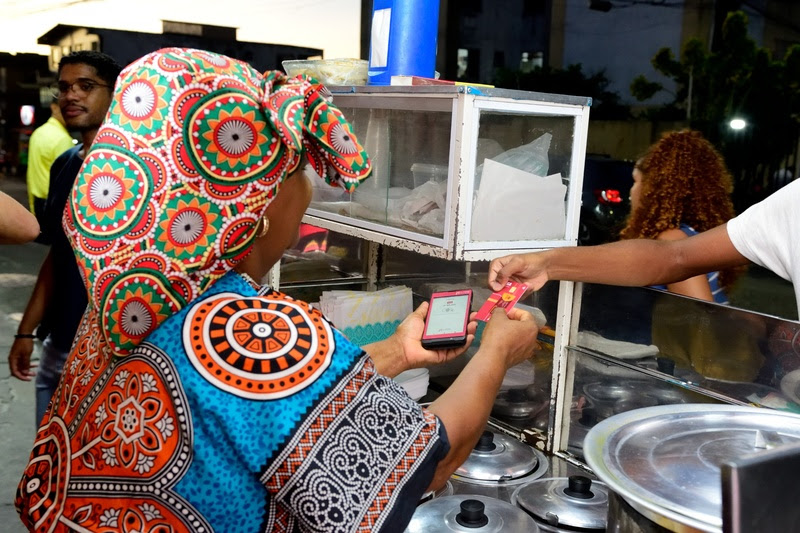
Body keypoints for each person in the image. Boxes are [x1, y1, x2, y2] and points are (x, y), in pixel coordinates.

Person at [15, 48, 539, 533]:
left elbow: (261, 409)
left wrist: (398, 353)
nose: (309, 189)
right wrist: (496, 351)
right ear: (256, 210)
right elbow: (426, 465)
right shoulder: (248, 331)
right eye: (298, 171)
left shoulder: (129, 302)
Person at [487, 174, 800, 317]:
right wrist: (548, 263)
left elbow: (709, 316)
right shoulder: (793, 203)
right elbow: (674, 258)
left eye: (638, 180)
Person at [7, 50, 122, 426]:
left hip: (112, 350)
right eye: (64, 87)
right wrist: (27, 330)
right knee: (47, 464)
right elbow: (58, 255)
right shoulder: (66, 163)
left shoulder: (137, 169)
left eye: (85, 86)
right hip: (59, 341)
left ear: (114, 92)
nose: (71, 96)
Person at [623, 130, 739, 303]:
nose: (631, 192)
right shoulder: (694, 236)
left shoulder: (672, 240)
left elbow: (700, 319)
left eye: (635, 181)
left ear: (652, 189)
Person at [25, 99, 75, 221]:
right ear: (54, 107)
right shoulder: (63, 140)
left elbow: (31, 174)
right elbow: (68, 185)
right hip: (56, 206)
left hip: (38, 202)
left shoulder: (38, 133)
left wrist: (32, 207)